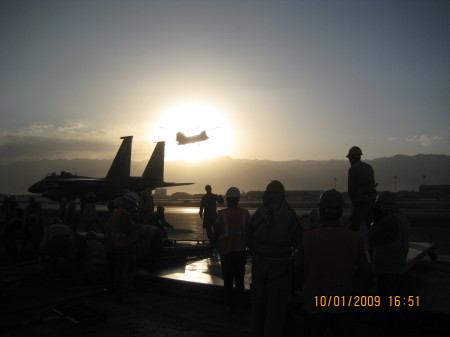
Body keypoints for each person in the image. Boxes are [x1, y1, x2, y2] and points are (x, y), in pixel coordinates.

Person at [295, 189, 370, 337]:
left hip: (314, 302)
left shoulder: (307, 237)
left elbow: (297, 271)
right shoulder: (354, 239)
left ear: (321, 210)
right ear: (341, 212)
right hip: (342, 302)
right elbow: (365, 272)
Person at [247, 180, 301, 337]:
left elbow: (248, 241)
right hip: (280, 270)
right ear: (282, 195)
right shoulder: (289, 215)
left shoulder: (257, 215)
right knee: (276, 311)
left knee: (258, 308)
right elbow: (299, 241)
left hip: (259, 267)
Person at [211, 187, 250, 312]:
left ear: (228, 199)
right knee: (240, 280)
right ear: (238, 199)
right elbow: (249, 232)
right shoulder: (245, 213)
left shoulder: (222, 214)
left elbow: (216, 232)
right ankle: (241, 303)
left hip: (226, 252)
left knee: (228, 280)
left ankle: (230, 305)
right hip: (240, 251)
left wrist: (211, 245)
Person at [369, 191, 410, 293]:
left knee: (385, 303)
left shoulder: (389, 220)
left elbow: (373, 239)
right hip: (399, 266)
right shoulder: (401, 217)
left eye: (378, 205)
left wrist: (374, 224)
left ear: (383, 205)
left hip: (387, 270)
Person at [110, 191, 141, 303]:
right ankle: (125, 295)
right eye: (133, 204)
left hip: (118, 245)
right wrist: (137, 227)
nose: (134, 207)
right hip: (126, 247)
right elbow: (127, 230)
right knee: (127, 272)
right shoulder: (125, 215)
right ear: (129, 202)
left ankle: (118, 294)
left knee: (119, 270)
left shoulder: (116, 212)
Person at [346, 146, 377, 232]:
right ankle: (373, 243)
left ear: (351, 158)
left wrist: (354, 202)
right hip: (371, 201)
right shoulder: (369, 167)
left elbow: (351, 189)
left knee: (354, 227)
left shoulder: (353, 169)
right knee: (371, 226)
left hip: (360, 202)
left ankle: (352, 243)